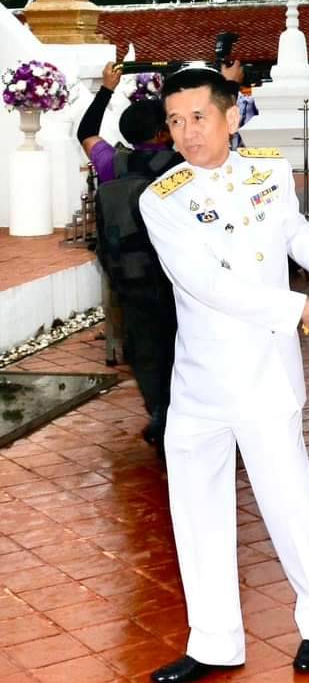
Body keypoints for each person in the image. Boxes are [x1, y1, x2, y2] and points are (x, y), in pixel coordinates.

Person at [140, 66, 309, 683]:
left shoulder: (268, 171)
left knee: (289, 503)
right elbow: (206, 284)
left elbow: (292, 230)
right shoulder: (163, 200)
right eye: (177, 121)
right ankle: (214, 642)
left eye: (199, 118)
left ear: (231, 117)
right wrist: (299, 308)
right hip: (201, 381)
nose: (187, 133)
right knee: (197, 511)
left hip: (266, 374)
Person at [79, 61, 179, 450]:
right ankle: (182, 412)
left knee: (144, 346)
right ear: (162, 131)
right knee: (181, 343)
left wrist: (106, 89)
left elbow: (85, 132)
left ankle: (158, 412)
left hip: (131, 275)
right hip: (175, 276)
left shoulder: (111, 164)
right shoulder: (181, 164)